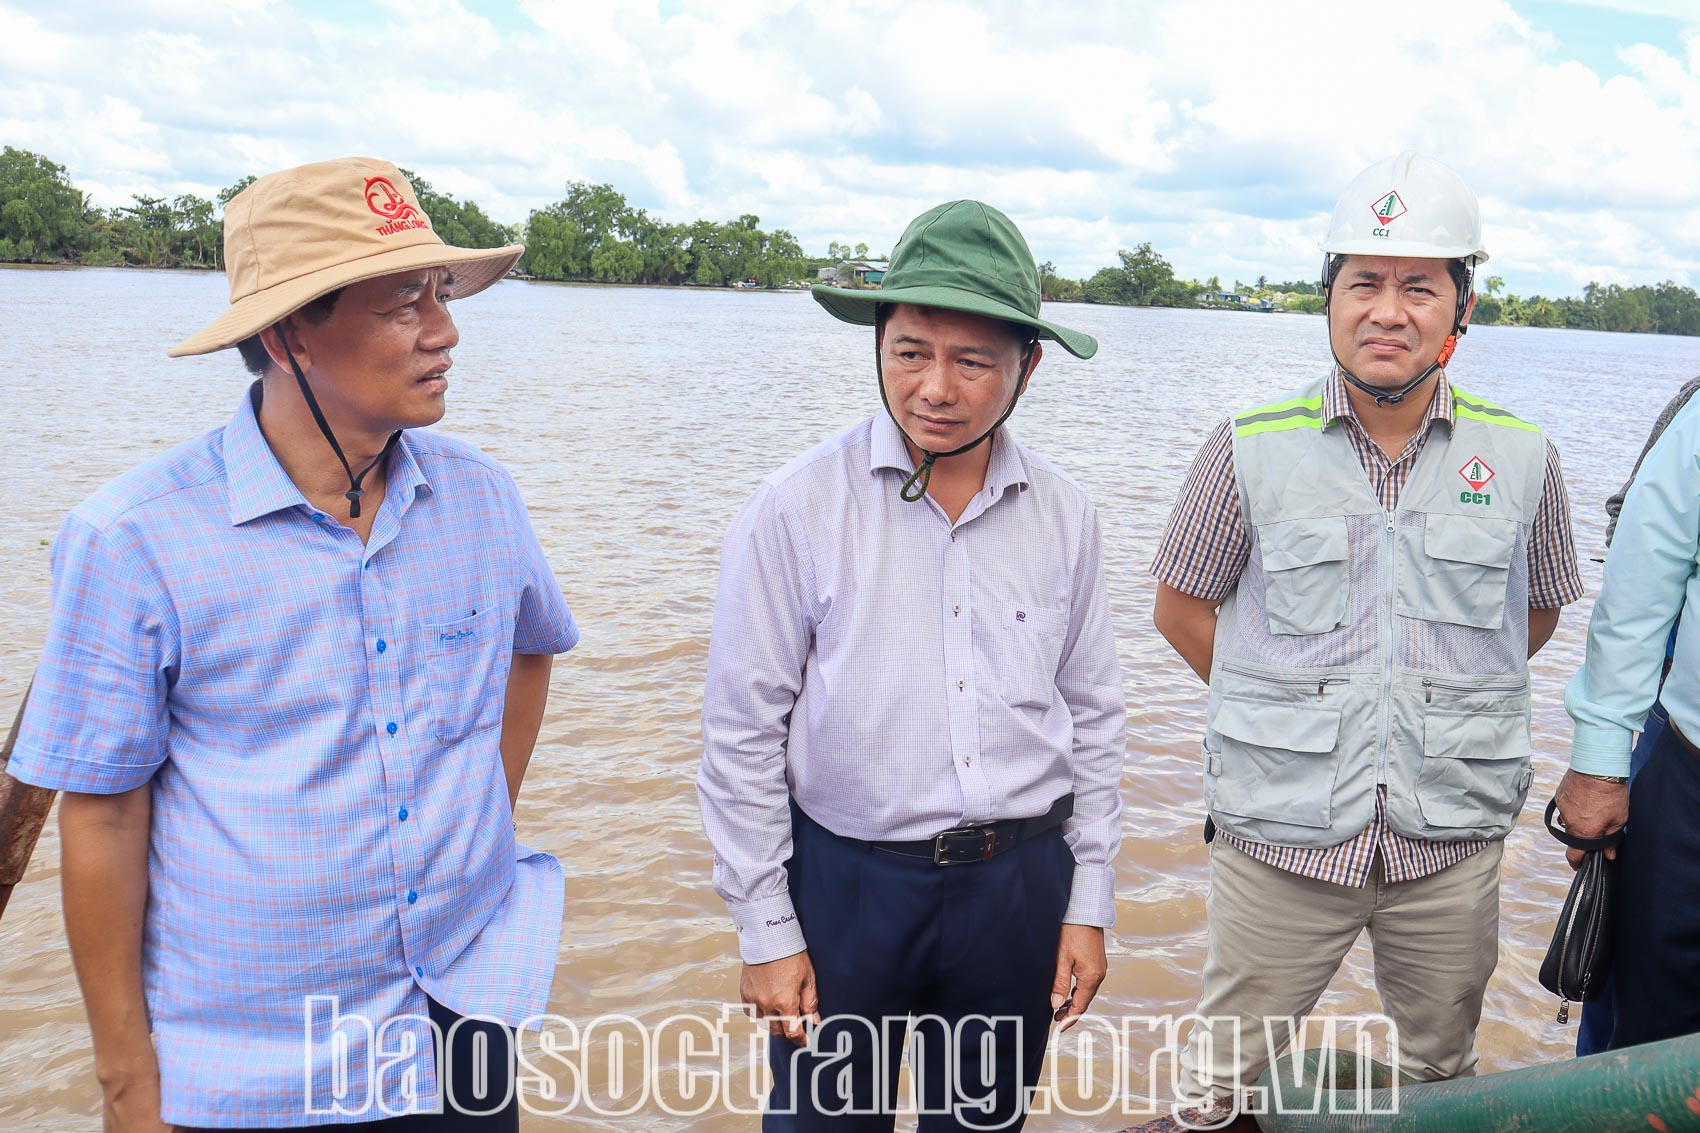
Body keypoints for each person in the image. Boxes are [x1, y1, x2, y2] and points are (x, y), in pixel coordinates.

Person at [5, 158, 579, 1130]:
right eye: (404, 301)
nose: (443, 331)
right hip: (246, 1067)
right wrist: (128, 1085)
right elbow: (100, 817)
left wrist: (477, 818)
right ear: (286, 334)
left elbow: (530, 651)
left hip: (457, 1015)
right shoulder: (134, 537)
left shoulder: (482, 496)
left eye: (438, 294)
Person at [1142, 151, 1582, 1130]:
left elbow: (1536, 612)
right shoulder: (1246, 443)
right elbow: (1178, 607)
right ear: (1328, 300)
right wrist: (1288, 706)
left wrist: (1421, 694)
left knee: (1439, 1076)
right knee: (1219, 1086)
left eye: (1418, 287)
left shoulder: (1519, 456)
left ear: (1459, 312)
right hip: (1278, 842)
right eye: (1363, 284)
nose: (1387, 310)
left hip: (1447, 841)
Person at [697, 200, 1126, 1132]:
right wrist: (767, 928)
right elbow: (741, 733)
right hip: (847, 885)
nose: (935, 386)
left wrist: (1086, 900)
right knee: (820, 1124)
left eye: (973, 360)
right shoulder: (795, 507)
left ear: (1027, 368)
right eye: (910, 351)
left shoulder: (1067, 514)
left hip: (1018, 884)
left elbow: (1094, 717)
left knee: (980, 1124)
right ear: (879, 343)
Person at [1560, 369, 1700, 1051]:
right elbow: (1637, 588)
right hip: (1687, 766)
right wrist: (1599, 764)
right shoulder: (1696, 413)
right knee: (1638, 1032)